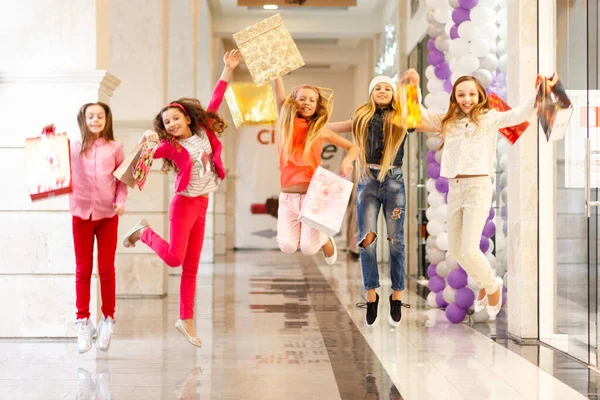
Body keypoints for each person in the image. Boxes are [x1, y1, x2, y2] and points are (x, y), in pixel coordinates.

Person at [122, 50, 241, 347]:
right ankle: (144, 232)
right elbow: (150, 153)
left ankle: (185, 321)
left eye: (175, 118)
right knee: (175, 258)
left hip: (203, 203)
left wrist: (227, 69)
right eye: (167, 122)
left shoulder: (204, 132)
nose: (172, 124)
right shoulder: (171, 147)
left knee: (191, 267)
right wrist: (149, 139)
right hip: (184, 204)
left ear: (187, 118)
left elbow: (215, 99)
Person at [405, 69, 537, 318]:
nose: (467, 99)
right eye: (461, 94)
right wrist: (413, 87)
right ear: (455, 97)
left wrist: (541, 93)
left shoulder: (489, 118)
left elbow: (521, 113)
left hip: (478, 187)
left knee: (470, 247)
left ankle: (491, 285)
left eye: (471, 94)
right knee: (456, 251)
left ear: (480, 96)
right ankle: (488, 284)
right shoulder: (449, 121)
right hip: (456, 188)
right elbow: (419, 114)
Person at [272, 76, 359, 264]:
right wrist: (276, 77)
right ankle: (322, 237)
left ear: (317, 105)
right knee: (287, 246)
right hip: (287, 198)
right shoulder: (286, 124)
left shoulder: (319, 130)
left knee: (309, 249)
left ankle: (326, 239)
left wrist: (347, 161)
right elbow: (279, 99)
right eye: (302, 98)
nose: (307, 102)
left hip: (312, 197)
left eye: (312, 100)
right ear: (293, 102)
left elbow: (353, 147)